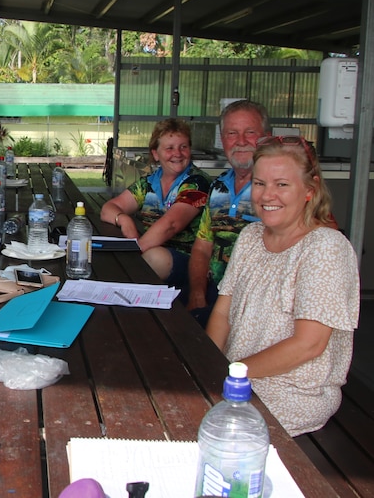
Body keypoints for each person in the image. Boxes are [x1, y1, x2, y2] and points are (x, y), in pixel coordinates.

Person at [206, 136, 359, 436]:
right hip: (236, 378)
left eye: (282, 184)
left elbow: (308, 344)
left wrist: (229, 375)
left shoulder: (325, 247)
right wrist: (208, 368)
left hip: (292, 392)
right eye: (260, 183)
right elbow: (222, 312)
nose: (267, 195)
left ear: (309, 190)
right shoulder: (251, 236)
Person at [186, 100, 270, 326]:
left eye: (250, 132)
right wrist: (197, 293)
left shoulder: (277, 189)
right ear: (222, 140)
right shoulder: (218, 186)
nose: (241, 141)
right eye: (232, 133)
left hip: (258, 305)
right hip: (216, 294)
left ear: (266, 137)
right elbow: (202, 247)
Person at [100, 118, 209, 286]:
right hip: (153, 255)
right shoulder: (150, 182)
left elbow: (171, 224)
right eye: (169, 148)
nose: (178, 153)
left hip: (189, 264)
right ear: (156, 154)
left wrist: (134, 253)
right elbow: (108, 209)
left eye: (183, 147)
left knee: (152, 258)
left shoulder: (197, 182)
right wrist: (123, 219)